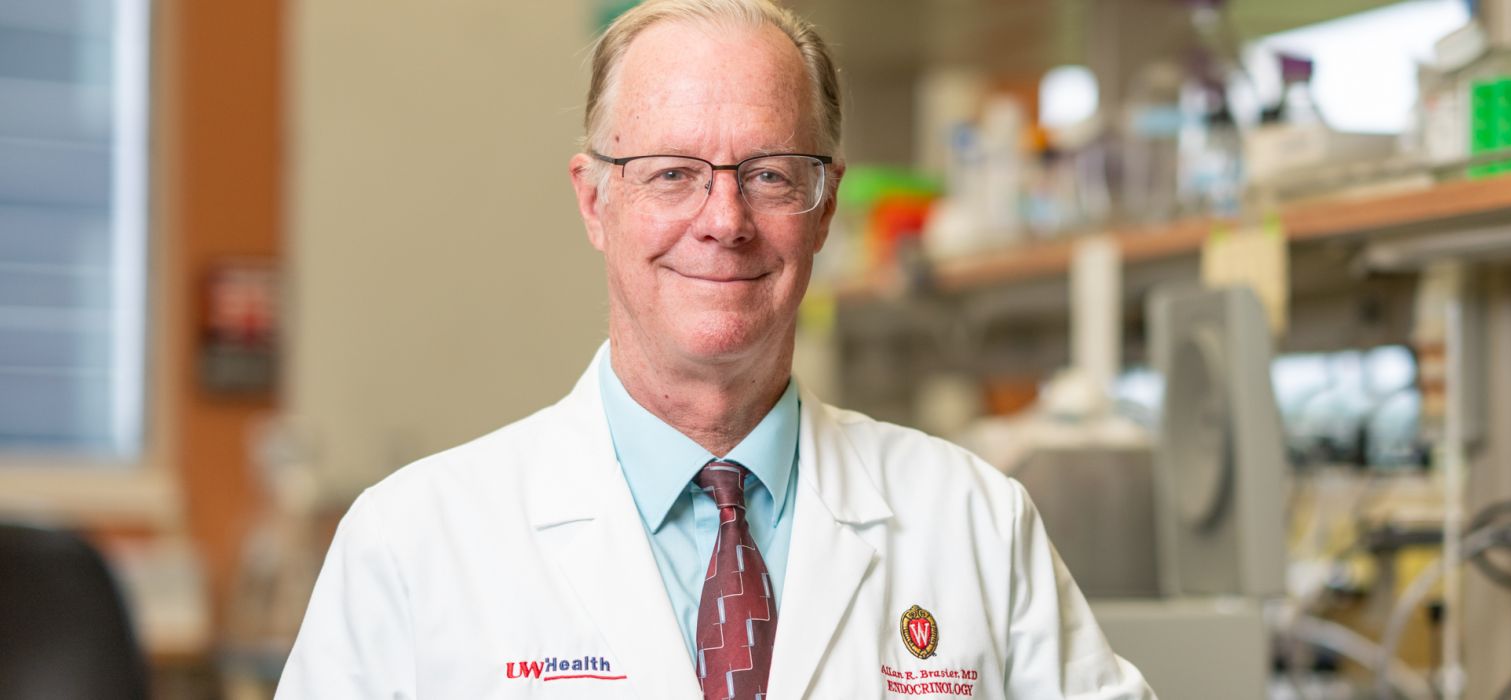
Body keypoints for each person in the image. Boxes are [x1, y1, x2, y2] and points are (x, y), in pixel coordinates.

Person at [275, 0, 1155, 697]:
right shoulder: (415, 544)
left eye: (769, 174)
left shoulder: (972, 525)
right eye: (672, 173)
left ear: (825, 204)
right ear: (593, 202)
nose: (724, 222)